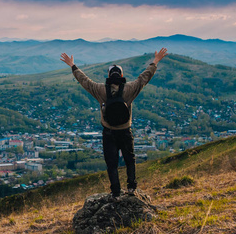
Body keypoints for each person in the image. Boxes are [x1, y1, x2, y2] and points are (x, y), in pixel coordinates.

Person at [60, 48, 168, 198]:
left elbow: (84, 80)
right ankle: (131, 188)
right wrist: (155, 61)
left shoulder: (100, 90)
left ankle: (116, 192)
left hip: (109, 132)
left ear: (109, 76)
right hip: (125, 131)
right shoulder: (129, 89)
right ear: (122, 75)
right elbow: (145, 77)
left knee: (112, 164)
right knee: (130, 159)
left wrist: (73, 65)